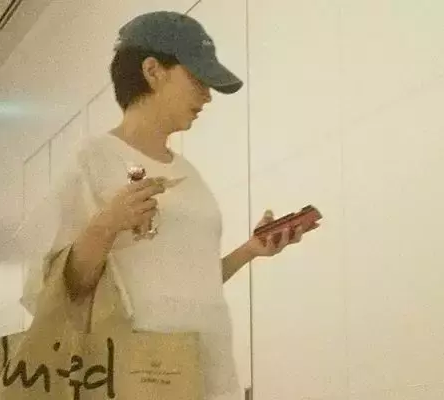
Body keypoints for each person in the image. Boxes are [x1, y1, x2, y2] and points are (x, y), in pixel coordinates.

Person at [21, 10, 316, 400]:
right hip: (136, 380)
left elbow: (187, 284)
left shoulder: (188, 174)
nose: (207, 96)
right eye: (197, 80)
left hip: (209, 377)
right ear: (153, 71)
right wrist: (107, 224)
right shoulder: (92, 160)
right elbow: (55, 290)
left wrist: (249, 251)